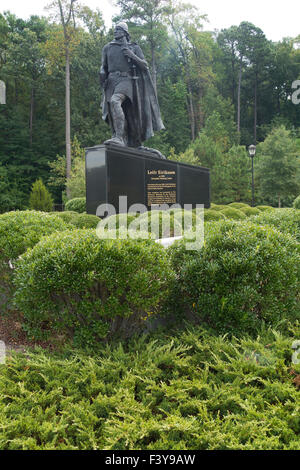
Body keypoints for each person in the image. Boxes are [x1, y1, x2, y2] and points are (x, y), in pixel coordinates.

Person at [100, 22, 165, 147]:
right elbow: (104, 66)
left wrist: (132, 55)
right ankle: (123, 137)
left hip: (126, 80)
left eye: (118, 29)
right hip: (111, 81)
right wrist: (102, 73)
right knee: (116, 110)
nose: (115, 32)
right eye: (115, 29)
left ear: (125, 32)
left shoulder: (134, 47)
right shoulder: (108, 47)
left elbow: (145, 65)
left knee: (115, 101)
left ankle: (119, 137)